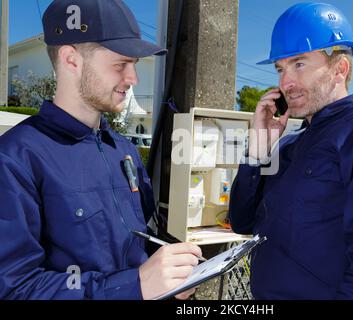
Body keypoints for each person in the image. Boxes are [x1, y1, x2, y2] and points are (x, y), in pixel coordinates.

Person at [0, 0, 202, 300]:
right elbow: (16, 288)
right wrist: (135, 285)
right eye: (121, 64)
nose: (133, 79)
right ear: (71, 59)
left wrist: (172, 271)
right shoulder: (15, 158)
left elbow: (137, 243)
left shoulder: (125, 151)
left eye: (133, 65)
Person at [229, 2, 353, 299]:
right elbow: (242, 220)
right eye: (280, 69)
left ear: (340, 68)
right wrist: (258, 149)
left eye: (299, 64)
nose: (285, 83)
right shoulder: (290, 143)